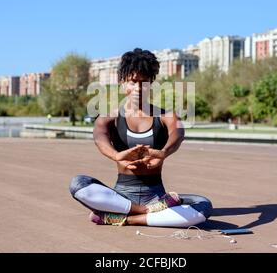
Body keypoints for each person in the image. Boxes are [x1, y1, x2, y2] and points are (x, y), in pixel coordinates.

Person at [69, 48, 213, 227]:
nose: (138, 88)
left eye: (144, 82)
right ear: (122, 83)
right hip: (120, 196)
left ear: (151, 84)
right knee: (78, 184)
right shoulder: (109, 117)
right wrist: (116, 156)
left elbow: (178, 133)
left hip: (156, 195)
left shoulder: (166, 115)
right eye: (132, 81)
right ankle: (144, 212)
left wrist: (164, 152)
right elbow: (99, 136)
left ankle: (125, 219)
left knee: (204, 206)